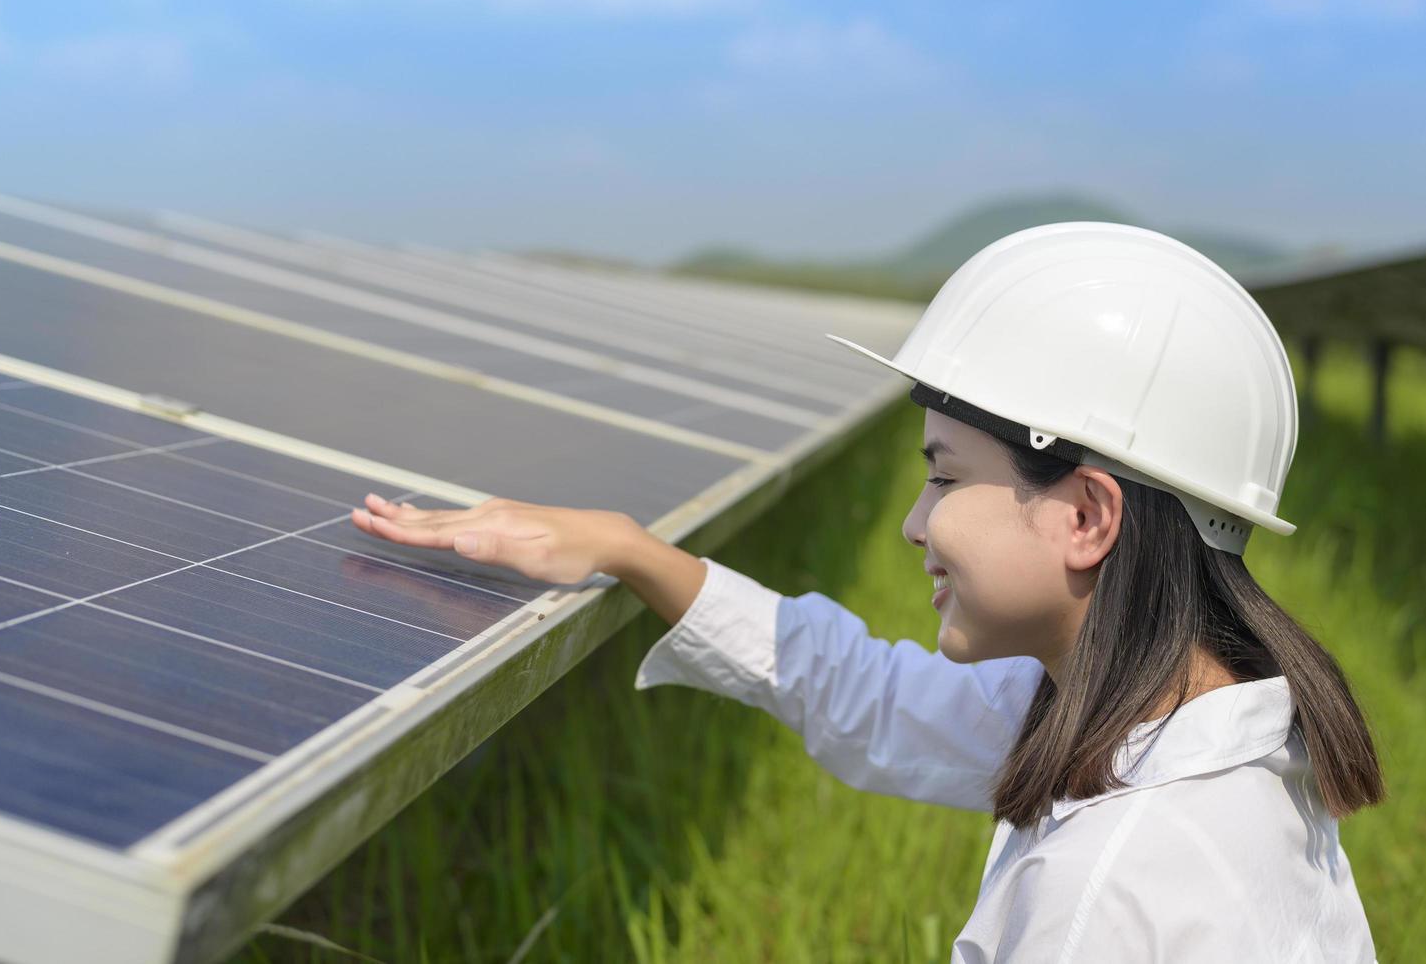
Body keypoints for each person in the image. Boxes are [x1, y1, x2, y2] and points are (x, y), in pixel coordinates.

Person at [351, 222, 1384, 962]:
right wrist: (634, 551)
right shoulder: (1176, 728)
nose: (914, 521)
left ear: (1086, 515)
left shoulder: (1105, 895)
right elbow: (878, 696)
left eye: (943, 474)